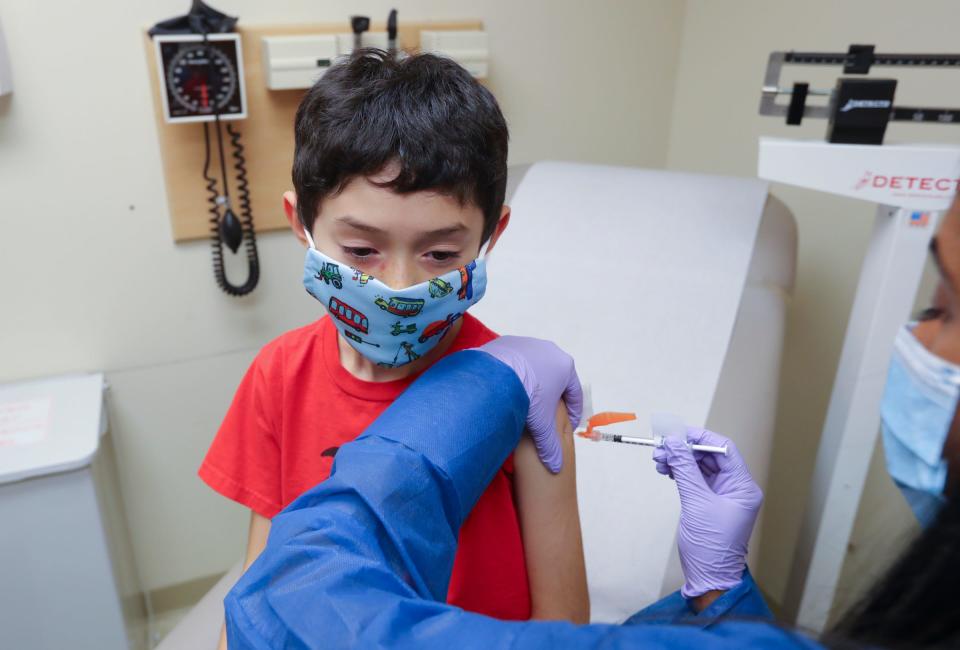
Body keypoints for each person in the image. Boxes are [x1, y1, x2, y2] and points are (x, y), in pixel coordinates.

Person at [199, 49, 588, 650]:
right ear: (301, 223)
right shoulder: (280, 376)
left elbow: (562, 621)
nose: (400, 288)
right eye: (360, 251)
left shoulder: (523, 396)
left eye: (439, 254)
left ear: (492, 235)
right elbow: (263, 579)